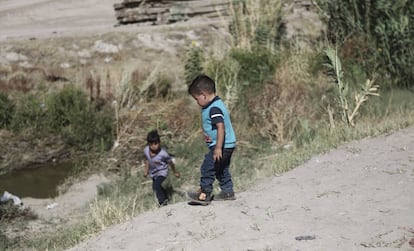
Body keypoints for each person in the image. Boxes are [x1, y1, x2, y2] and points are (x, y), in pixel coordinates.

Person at [188, 74, 236, 203]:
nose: (197, 103)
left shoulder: (214, 108)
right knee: (221, 168)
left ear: (203, 95)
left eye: (196, 99)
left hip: (221, 146)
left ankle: (205, 194)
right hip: (226, 145)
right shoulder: (215, 104)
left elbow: (221, 127)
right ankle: (228, 192)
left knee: (207, 167)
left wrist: (218, 148)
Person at [143, 130, 180, 207]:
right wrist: (146, 171)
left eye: (156, 143)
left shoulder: (163, 154)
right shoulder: (146, 150)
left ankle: (162, 202)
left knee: (156, 185)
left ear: (159, 143)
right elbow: (146, 160)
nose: (154, 146)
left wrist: (175, 172)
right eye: (151, 144)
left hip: (162, 171)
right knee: (156, 187)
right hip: (153, 172)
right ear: (148, 144)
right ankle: (165, 195)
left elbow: (171, 163)